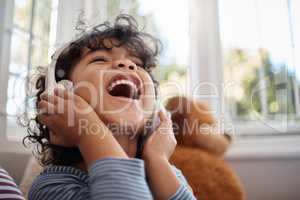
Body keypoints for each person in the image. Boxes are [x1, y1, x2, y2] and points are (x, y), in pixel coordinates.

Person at [24, 14, 196, 200]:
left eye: (138, 64)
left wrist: (157, 159)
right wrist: (89, 132)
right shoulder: (52, 185)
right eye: (99, 59)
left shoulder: (170, 175)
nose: (127, 64)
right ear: (63, 92)